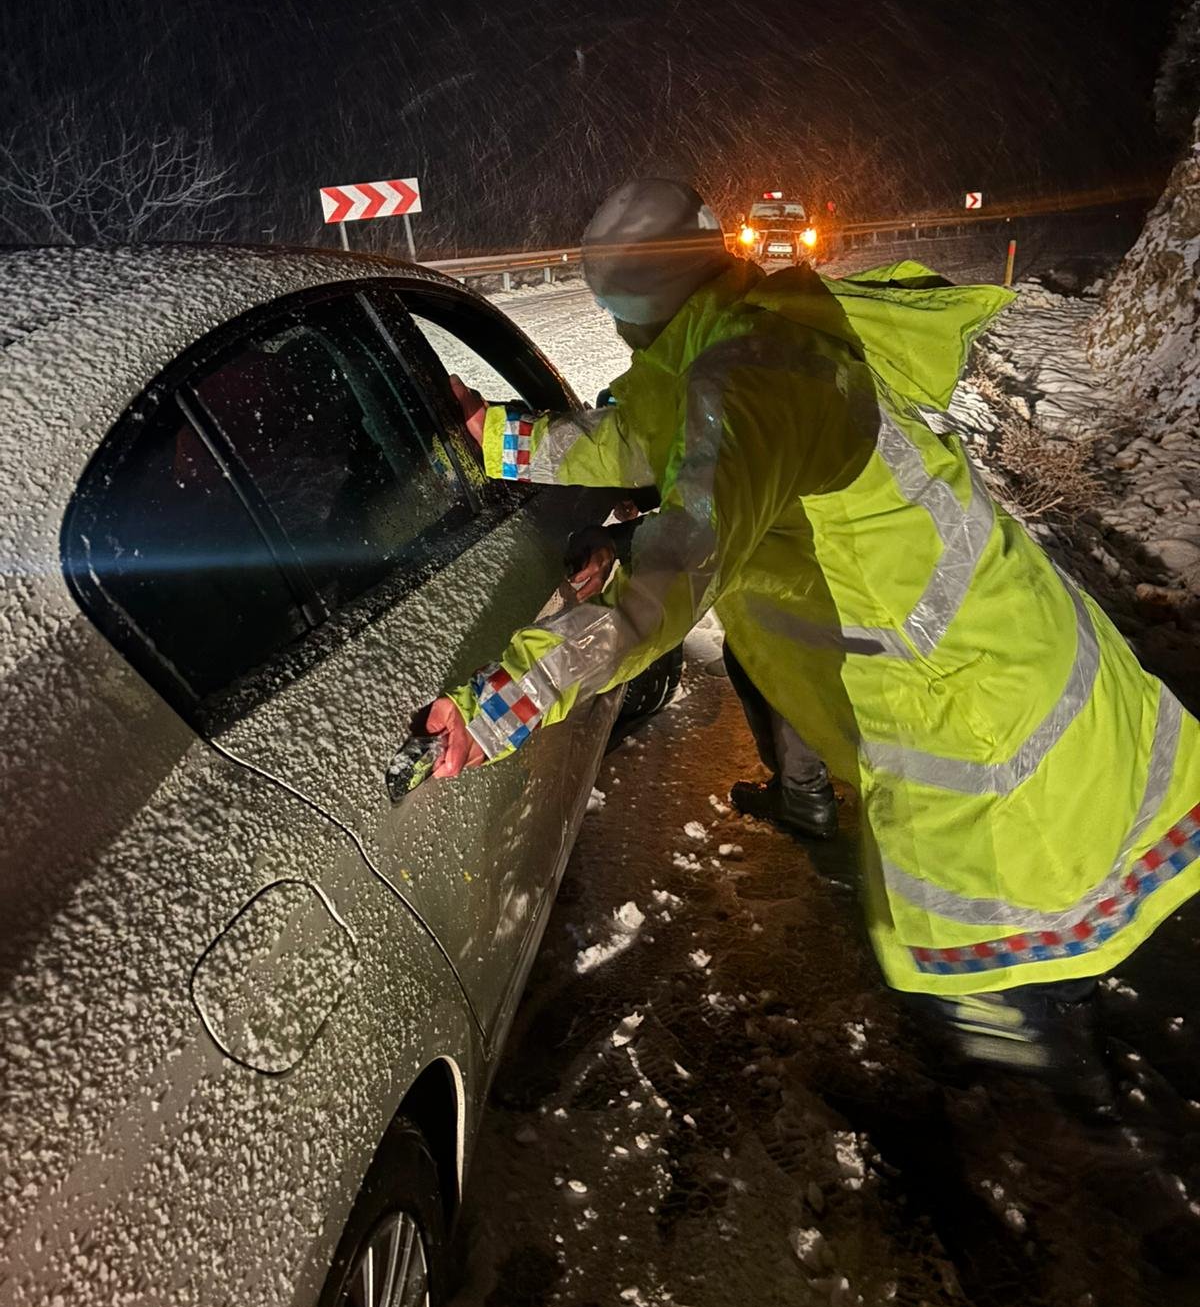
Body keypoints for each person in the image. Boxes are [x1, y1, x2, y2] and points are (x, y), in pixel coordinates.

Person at [421, 176, 1200, 1083]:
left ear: (636, 304)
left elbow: (674, 569)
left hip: (966, 679)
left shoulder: (751, 373)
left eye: (615, 308)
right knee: (1020, 882)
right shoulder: (734, 325)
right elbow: (634, 435)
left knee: (1003, 900)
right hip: (978, 639)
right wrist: (492, 435)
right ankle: (1040, 1035)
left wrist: (511, 699)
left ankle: (1056, 1084)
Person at [565, 493, 839, 837]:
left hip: (815, 568)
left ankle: (806, 791)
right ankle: (805, 784)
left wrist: (619, 540)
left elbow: (714, 512)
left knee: (780, 656)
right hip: (842, 565)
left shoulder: (753, 452)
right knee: (759, 652)